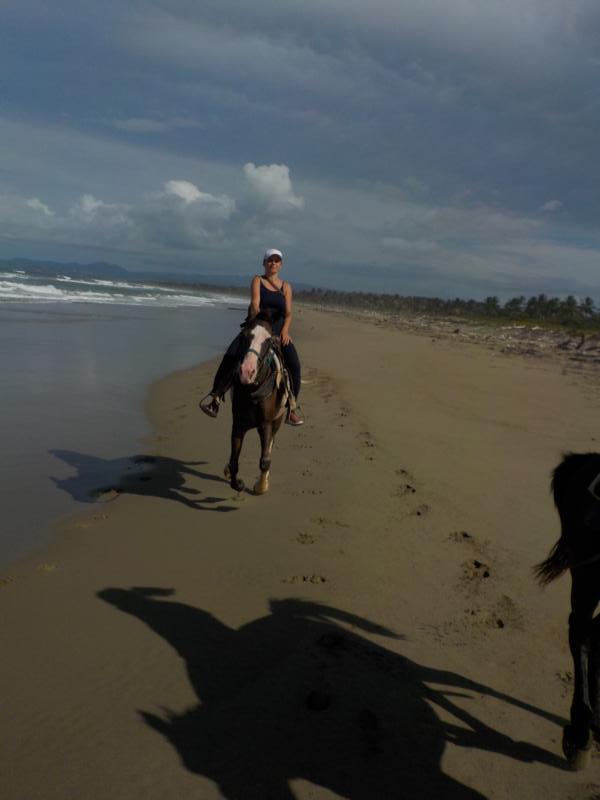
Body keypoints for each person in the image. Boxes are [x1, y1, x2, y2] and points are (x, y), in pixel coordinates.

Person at [199, 248, 304, 426]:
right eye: (270, 260)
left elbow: (288, 314)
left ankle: (292, 408)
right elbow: (255, 303)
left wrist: (285, 331)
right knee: (231, 355)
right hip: (257, 329)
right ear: (264, 263)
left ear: (281, 264)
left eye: (276, 260)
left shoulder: (286, 287)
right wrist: (257, 323)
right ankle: (215, 397)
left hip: (277, 333)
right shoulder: (257, 280)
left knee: (295, 366)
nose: (273, 263)